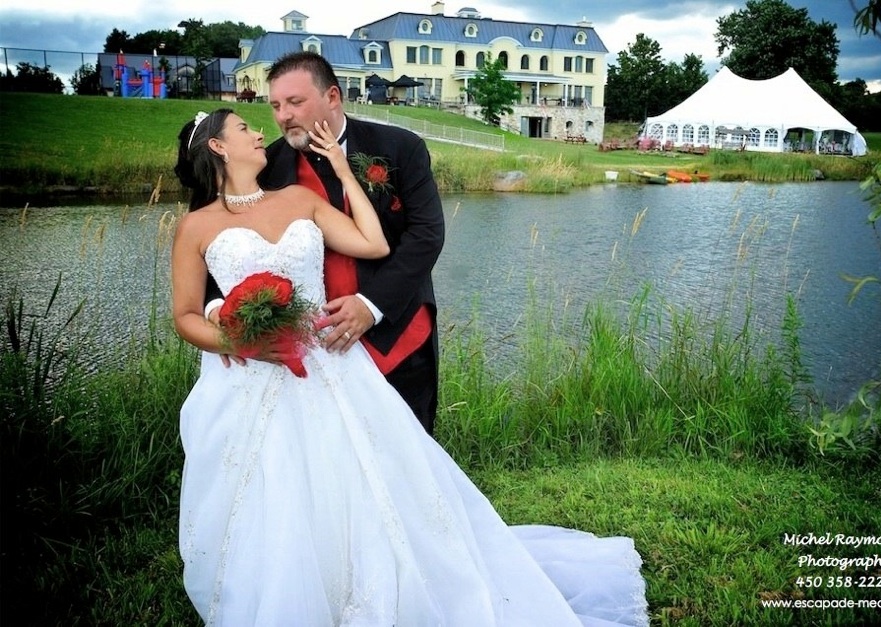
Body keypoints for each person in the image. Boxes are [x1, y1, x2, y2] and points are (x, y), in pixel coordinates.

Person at [171, 108, 649, 625]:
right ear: (218, 147)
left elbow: (374, 243)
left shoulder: (299, 200)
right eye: (244, 127)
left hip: (327, 361)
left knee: (361, 480)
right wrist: (240, 341)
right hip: (254, 376)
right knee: (275, 489)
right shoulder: (198, 226)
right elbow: (185, 316)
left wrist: (343, 169)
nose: (260, 128)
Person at [205, 50, 443, 435]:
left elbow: (427, 235)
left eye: (295, 102)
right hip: (312, 348)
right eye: (276, 105)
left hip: (396, 331)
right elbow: (222, 240)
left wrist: (372, 305)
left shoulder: (401, 147)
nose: (283, 116)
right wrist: (218, 305)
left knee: (408, 452)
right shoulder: (264, 165)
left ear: (333, 97)